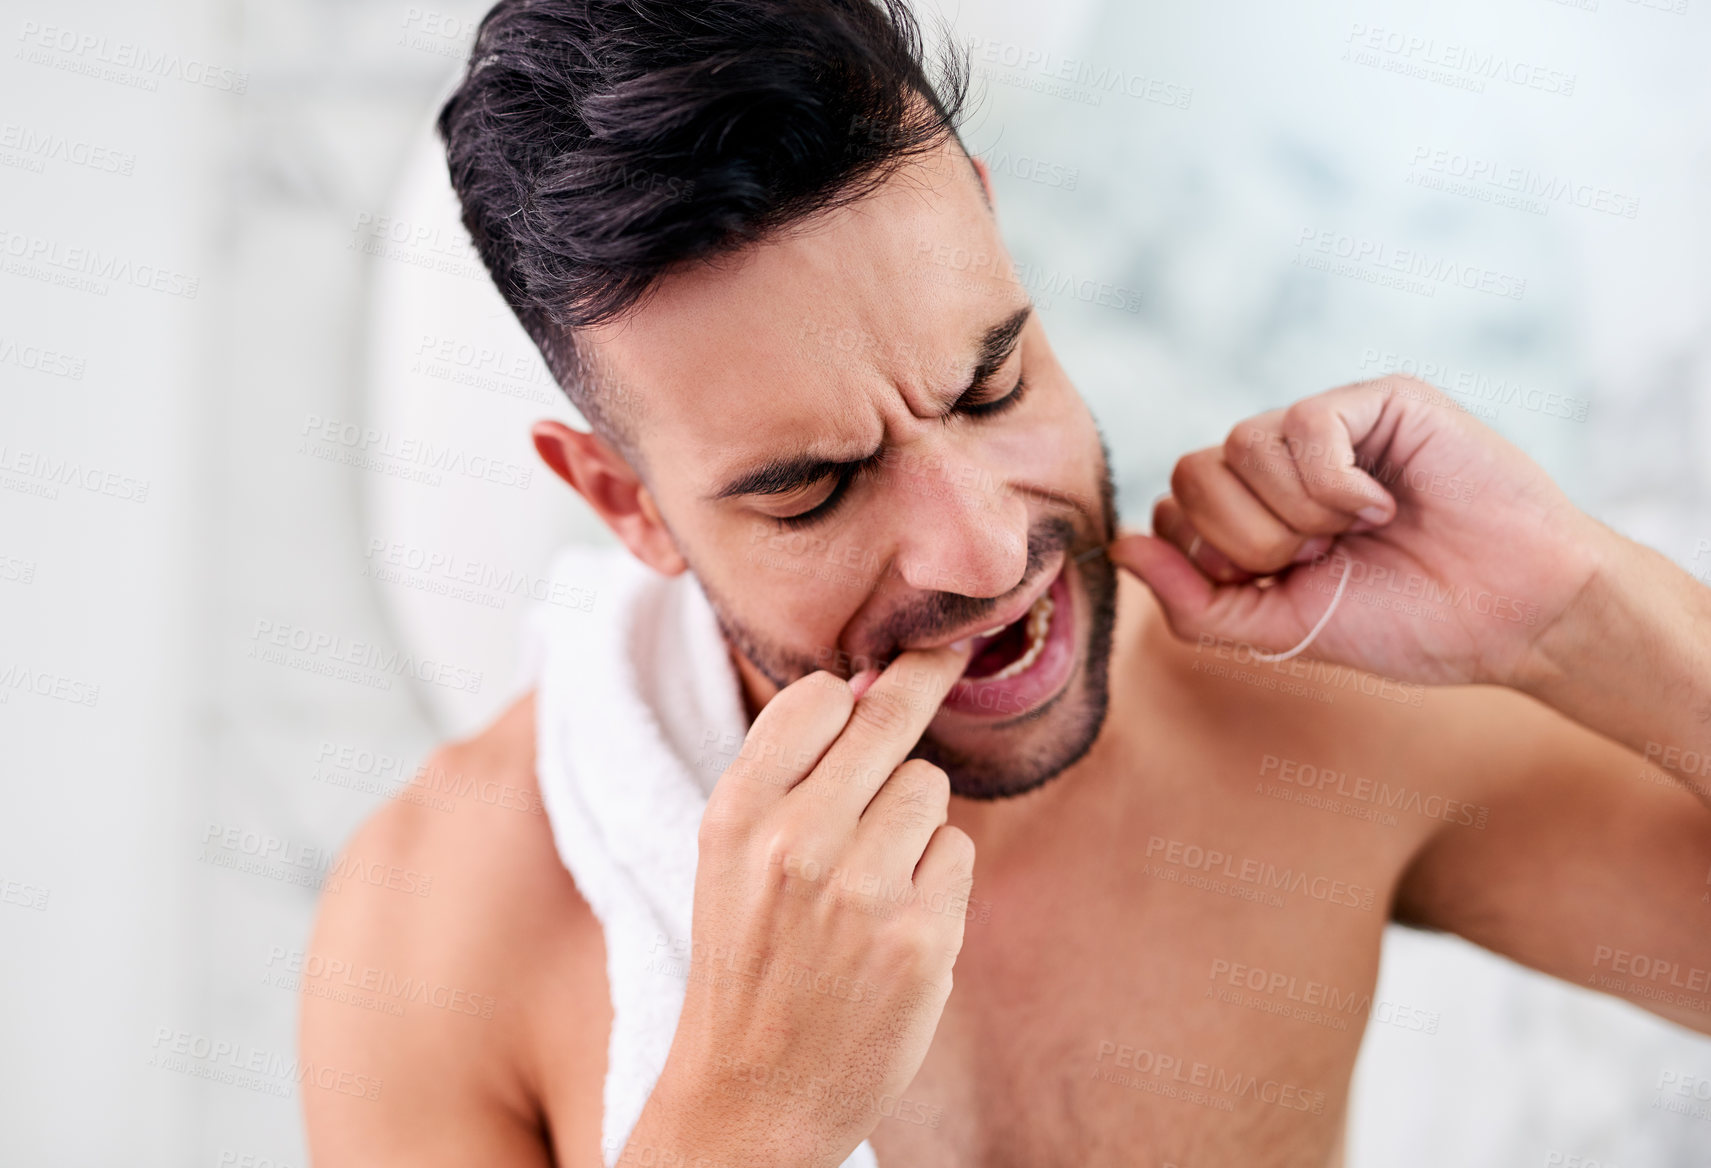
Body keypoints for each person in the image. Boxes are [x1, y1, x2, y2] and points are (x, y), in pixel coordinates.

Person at [300, 1, 1711, 1164]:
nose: (981, 554)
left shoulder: (1315, 710)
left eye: (990, 383)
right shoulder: (446, 929)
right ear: (626, 503)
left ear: (991, 228)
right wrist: (750, 1115)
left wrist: (1587, 610)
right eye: (814, 486)